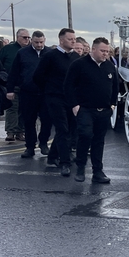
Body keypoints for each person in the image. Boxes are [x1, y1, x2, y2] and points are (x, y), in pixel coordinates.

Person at [65, 37, 118, 184]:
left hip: (104, 109)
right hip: (85, 109)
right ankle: (80, 168)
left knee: (99, 141)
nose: (105, 54)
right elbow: (68, 86)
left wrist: (112, 104)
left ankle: (98, 171)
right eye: (102, 51)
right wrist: (75, 105)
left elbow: (115, 87)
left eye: (107, 51)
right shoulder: (79, 65)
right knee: (85, 136)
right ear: (93, 49)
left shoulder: (109, 66)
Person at [33, 28, 79, 176]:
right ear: (61, 40)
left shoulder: (76, 57)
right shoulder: (50, 56)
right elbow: (38, 76)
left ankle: (52, 156)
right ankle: (64, 163)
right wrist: (49, 90)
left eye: (74, 39)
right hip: (54, 98)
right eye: (70, 39)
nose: (73, 41)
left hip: (70, 99)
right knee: (62, 129)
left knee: (70, 129)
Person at [6, 30, 52, 158]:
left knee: (47, 120)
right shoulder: (22, 53)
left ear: (45, 40)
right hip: (27, 92)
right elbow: (14, 72)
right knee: (29, 120)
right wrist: (10, 90)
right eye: (36, 42)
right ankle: (30, 147)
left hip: (45, 92)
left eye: (41, 42)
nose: (39, 45)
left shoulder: (50, 53)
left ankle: (43, 143)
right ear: (31, 40)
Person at [0, 29, 31, 141]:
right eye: (24, 37)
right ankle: (10, 132)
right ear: (18, 37)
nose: (27, 39)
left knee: (23, 109)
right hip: (11, 84)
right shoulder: (8, 50)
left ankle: (20, 131)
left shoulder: (30, 50)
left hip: (26, 85)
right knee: (12, 108)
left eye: (28, 37)